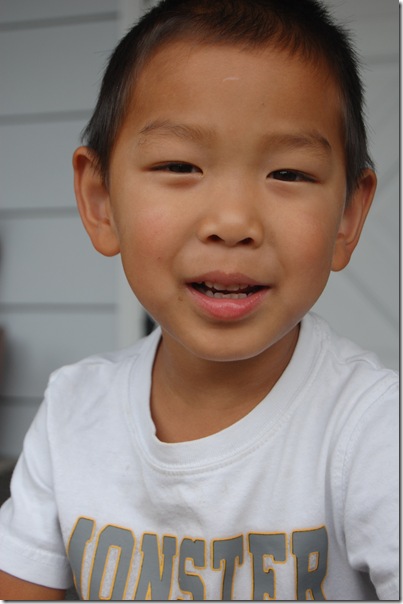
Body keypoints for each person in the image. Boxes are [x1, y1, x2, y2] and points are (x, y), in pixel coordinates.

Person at [0, 0, 398, 600]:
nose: (233, 222)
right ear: (101, 200)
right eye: (180, 165)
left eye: (289, 174)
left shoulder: (373, 432)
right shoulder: (72, 412)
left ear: (348, 215)